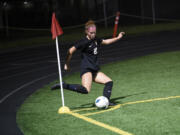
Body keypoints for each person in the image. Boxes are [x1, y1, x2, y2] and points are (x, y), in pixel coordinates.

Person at [51, 20, 125, 106]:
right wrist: (66, 64)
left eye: (94, 32)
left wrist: (118, 37)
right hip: (87, 69)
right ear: (86, 31)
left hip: (94, 69)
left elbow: (106, 41)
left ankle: (106, 101)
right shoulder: (83, 42)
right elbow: (70, 51)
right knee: (86, 90)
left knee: (109, 82)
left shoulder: (96, 39)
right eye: (91, 33)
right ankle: (64, 85)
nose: (93, 34)